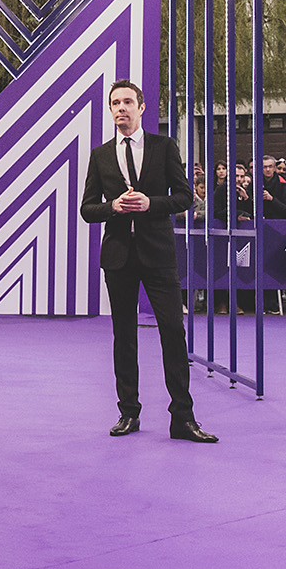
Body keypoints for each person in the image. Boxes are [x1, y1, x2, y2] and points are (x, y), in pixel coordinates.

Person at [80, 80, 212, 441]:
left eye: (127, 102)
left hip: (158, 255)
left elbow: (185, 196)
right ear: (110, 110)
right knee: (124, 336)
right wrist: (113, 206)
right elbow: (87, 209)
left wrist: (151, 203)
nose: (120, 108)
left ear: (141, 107)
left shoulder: (163, 146)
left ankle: (183, 418)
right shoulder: (100, 155)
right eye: (115, 103)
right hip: (118, 257)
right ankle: (128, 413)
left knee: (172, 331)